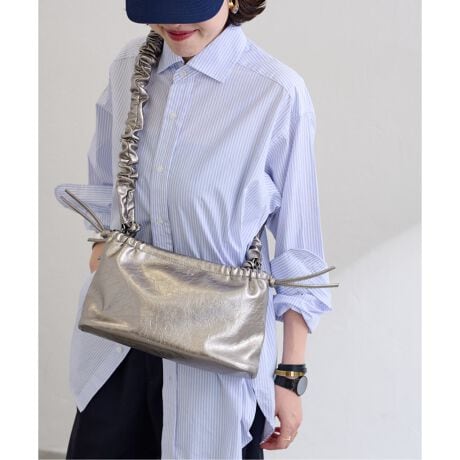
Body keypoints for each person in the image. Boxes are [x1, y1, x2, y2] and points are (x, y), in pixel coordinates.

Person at [54, 0, 335, 458]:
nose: (174, 21)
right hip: (117, 350)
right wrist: (103, 246)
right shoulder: (128, 67)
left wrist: (290, 376)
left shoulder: (276, 92)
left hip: (218, 364)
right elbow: (105, 182)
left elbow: (299, 249)